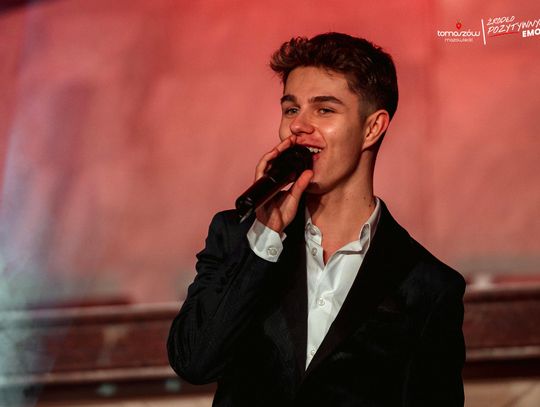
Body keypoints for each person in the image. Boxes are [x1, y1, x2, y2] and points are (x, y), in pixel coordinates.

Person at [167, 32, 466, 407]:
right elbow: (194, 361)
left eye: (324, 110)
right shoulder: (237, 235)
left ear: (372, 127)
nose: (299, 125)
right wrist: (265, 238)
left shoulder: (427, 285)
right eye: (291, 109)